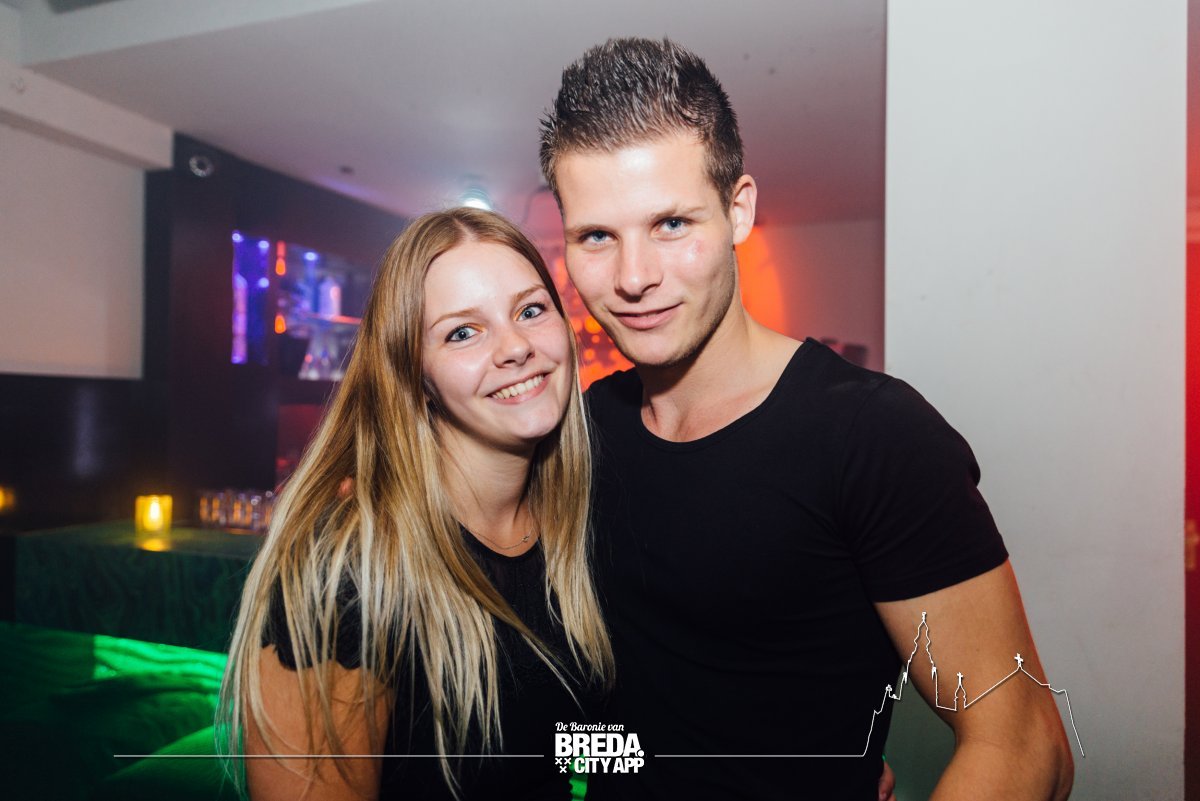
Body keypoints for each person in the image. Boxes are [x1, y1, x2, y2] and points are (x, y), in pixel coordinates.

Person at [539, 37, 1075, 800]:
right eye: (597, 236)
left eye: (671, 224)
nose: (634, 277)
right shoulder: (584, 431)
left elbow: (1025, 743)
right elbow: (626, 707)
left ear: (738, 210)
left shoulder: (874, 436)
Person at [216, 208, 613, 800]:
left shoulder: (579, 522)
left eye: (530, 311)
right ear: (416, 376)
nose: (515, 347)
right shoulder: (352, 569)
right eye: (462, 332)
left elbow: (558, 742)